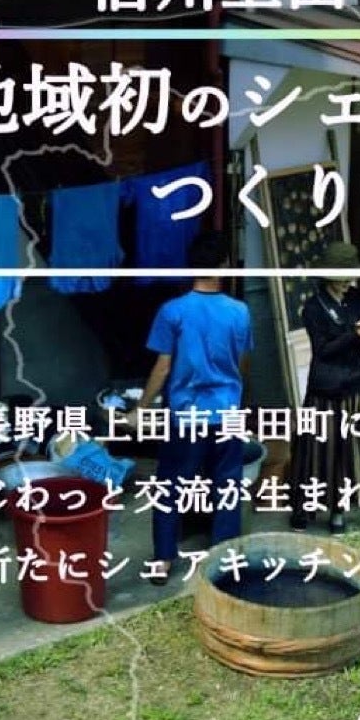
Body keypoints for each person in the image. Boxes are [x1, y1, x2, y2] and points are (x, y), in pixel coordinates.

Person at [131, 232, 253, 584]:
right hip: (227, 412)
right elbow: (243, 364)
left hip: (187, 415)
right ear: (225, 266)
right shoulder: (240, 312)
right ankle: (223, 560)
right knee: (227, 485)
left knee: (170, 485)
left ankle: (163, 560)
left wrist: (141, 407)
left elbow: (163, 367)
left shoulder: (173, 311)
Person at [289, 241, 360, 533]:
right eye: (344, 277)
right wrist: (354, 335)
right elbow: (323, 350)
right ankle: (303, 507)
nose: (350, 282)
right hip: (325, 388)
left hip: (355, 385)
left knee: (347, 453)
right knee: (315, 449)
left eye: (351, 277)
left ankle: (338, 509)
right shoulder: (313, 308)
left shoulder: (359, 299)